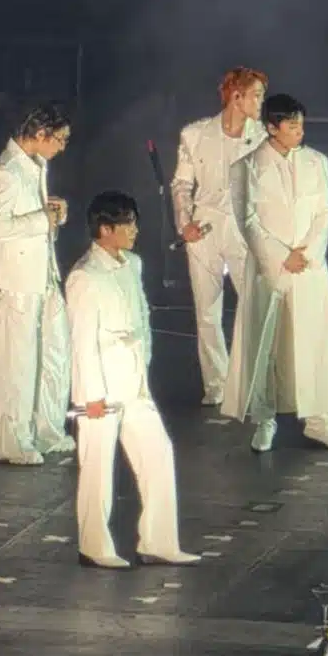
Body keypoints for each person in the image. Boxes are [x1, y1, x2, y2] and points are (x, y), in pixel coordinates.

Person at [66, 191, 200, 570]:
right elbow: (82, 341)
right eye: (127, 223)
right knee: (97, 467)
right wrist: (90, 396)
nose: (134, 230)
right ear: (105, 229)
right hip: (102, 387)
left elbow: (141, 316)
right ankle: (94, 546)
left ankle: (159, 542)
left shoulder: (132, 265)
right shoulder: (84, 276)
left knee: (158, 454)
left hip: (135, 380)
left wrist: (143, 362)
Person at [222, 94, 328, 453]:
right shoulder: (246, 167)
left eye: (301, 125)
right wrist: (281, 256)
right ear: (271, 127)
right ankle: (265, 420)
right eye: (292, 125)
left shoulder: (316, 162)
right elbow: (247, 221)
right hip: (270, 269)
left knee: (315, 342)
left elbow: (325, 211)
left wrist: (307, 253)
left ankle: (321, 422)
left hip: (309, 268)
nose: (300, 131)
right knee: (266, 343)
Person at [0, 102, 75, 465]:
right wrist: (42, 219)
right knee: (17, 360)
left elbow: (30, 218)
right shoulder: (6, 170)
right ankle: (11, 439)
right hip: (18, 280)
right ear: (40, 134)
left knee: (54, 351)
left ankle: (45, 429)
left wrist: (50, 214)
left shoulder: (34, 165)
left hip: (41, 273)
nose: (62, 147)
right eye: (59, 140)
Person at [171, 67, 268, 405]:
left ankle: (253, 381)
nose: (261, 102)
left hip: (246, 230)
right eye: (256, 95)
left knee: (254, 306)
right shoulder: (195, 134)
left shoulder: (263, 137)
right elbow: (182, 184)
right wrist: (185, 223)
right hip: (205, 229)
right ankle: (216, 385)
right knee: (207, 311)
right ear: (236, 96)